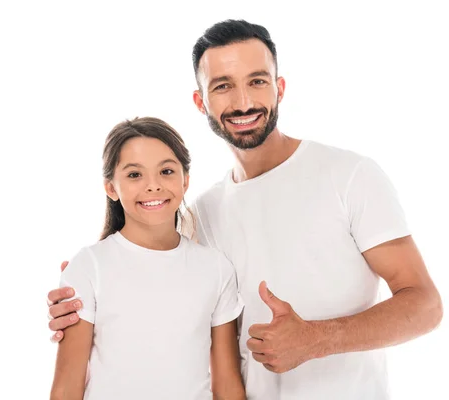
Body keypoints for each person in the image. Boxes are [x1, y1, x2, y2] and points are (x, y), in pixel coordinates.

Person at [47, 20, 443, 399]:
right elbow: (154, 291)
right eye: (223, 86)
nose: (243, 102)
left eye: (257, 81)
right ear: (201, 101)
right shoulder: (201, 213)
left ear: (279, 88)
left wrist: (316, 339)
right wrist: (82, 297)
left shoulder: (350, 175)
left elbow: (425, 305)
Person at [49, 117, 246, 400]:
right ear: (111, 188)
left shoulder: (215, 269)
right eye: (134, 175)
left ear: (185, 180)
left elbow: (227, 383)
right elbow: (67, 386)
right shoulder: (89, 267)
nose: (153, 186)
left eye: (166, 171)